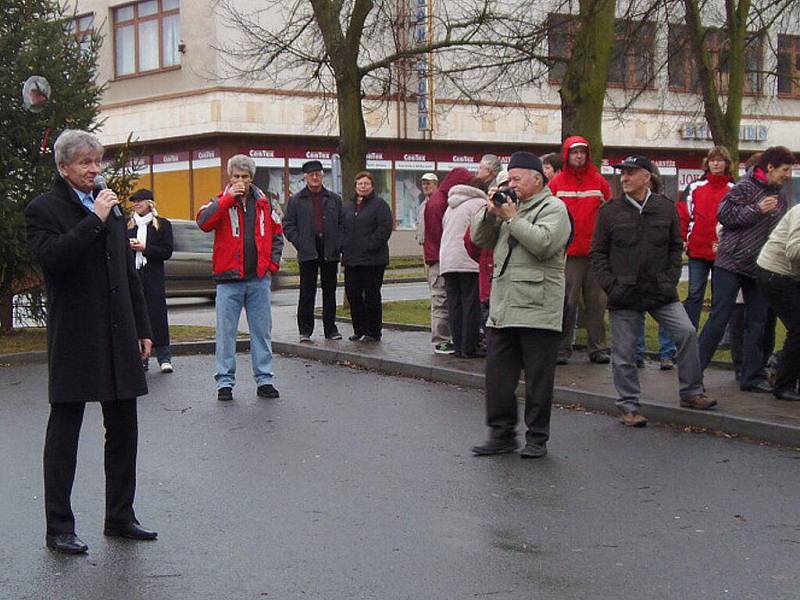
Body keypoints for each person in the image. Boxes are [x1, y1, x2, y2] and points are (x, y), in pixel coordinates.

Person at [25, 129, 157, 554]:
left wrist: (143, 327)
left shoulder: (113, 209)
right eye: (84, 163)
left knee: (124, 429)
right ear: (64, 168)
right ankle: (59, 527)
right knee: (65, 432)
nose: (94, 170)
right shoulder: (44, 209)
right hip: (76, 336)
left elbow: (127, 272)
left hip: (119, 332)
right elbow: (55, 259)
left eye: (97, 162)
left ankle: (120, 516)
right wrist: (94, 219)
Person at [590, 155, 715, 428]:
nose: (624, 178)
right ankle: (628, 406)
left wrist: (669, 280)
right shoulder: (610, 211)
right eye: (622, 173)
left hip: (660, 290)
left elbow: (674, 246)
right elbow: (597, 253)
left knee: (686, 332)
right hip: (624, 292)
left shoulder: (665, 208)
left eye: (631, 173)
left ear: (647, 177)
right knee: (624, 352)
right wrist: (611, 285)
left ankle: (692, 392)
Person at [470, 152, 572, 459]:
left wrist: (513, 218)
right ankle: (501, 434)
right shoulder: (505, 208)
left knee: (538, 380)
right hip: (503, 307)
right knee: (498, 377)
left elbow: (544, 243)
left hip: (538, 308)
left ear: (537, 179)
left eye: (516, 178)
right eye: (508, 178)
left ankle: (537, 438)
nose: (510, 183)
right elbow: (479, 238)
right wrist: (490, 213)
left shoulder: (554, 208)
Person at [698, 146, 795, 393]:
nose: (788, 175)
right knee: (719, 317)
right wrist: (756, 209)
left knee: (758, 322)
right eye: (785, 170)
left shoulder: (781, 196)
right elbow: (724, 214)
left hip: (758, 267)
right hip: (730, 263)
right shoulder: (745, 186)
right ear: (770, 167)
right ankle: (694, 371)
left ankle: (751, 377)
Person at [196, 154, 284, 402]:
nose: (240, 181)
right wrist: (227, 199)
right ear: (229, 177)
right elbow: (203, 222)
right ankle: (224, 382)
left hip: (258, 279)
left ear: (252, 178)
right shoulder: (219, 201)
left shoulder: (265, 204)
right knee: (226, 334)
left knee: (261, 332)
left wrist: (271, 265)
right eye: (236, 176)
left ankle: (265, 379)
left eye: (244, 177)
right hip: (228, 280)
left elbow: (277, 235)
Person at [547, 136, 612, 365]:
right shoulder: (556, 183)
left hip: (594, 253)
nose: (579, 156)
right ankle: (562, 348)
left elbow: (609, 215)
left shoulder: (599, 182)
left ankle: (598, 348)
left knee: (597, 303)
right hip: (568, 253)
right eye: (574, 152)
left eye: (582, 152)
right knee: (566, 303)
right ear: (567, 155)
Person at [283, 159, 344, 342]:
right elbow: (288, 224)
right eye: (311, 175)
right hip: (307, 249)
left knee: (329, 292)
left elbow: (342, 224)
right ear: (305, 178)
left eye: (318, 174)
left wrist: (338, 244)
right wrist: (300, 242)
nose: (315, 178)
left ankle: (330, 329)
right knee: (307, 292)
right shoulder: (296, 200)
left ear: (322, 176)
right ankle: (305, 331)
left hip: (329, 249)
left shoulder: (334, 199)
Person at [677, 146, 735, 328]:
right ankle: (689, 333)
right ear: (707, 163)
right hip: (697, 250)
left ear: (727, 164)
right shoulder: (695, 187)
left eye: (720, 160)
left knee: (720, 297)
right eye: (712, 160)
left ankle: (713, 336)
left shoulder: (734, 189)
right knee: (694, 294)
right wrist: (684, 239)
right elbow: (684, 214)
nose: (716, 163)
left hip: (723, 252)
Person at [424, 167, 473, 354]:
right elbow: (440, 234)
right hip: (439, 258)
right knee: (441, 300)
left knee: (446, 300)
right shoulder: (440, 202)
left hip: (440, 256)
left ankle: (447, 338)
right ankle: (441, 340)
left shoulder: (441, 199)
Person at [633, 165, 678, 370]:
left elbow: (675, 244)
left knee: (667, 316)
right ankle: (637, 354)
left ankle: (667, 354)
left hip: (660, 273)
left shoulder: (666, 208)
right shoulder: (623, 208)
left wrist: (671, 275)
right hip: (633, 274)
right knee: (635, 314)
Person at [341, 172, 393, 342]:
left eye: (366, 184)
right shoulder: (347, 207)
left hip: (373, 260)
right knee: (353, 294)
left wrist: (370, 244)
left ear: (372, 186)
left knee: (371, 296)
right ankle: (359, 329)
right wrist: (343, 245)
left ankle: (373, 331)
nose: (363, 187)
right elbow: (341, 227)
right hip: (351, 260)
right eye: (360, 184)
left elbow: (384, 228)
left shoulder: (380, 205)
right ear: (355, 186)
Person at [127, 188, 174, 373]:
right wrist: (130, 246)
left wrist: (145, 248)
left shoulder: (162, 225)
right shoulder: (128, 225)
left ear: (149, 203)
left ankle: (164, 356)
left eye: (140, 201)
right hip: (133, 275)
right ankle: (141, 358)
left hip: (153, 277)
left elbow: (166, 251)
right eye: (134, 201)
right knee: (136, 316)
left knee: (157, 316)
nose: (136, 204)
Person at [756, 203, 800, 401]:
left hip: (790, 276)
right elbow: (794, 250)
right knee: (798, 328)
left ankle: (782, 371)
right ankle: (783, 385)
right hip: (775, 273)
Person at [440, 176, 488, 358]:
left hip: (448, 260)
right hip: (468, 260)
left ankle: (458, 345)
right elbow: (481, 232)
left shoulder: (452, 205)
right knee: (471, 304)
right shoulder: (479, 204)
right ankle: (470, 347)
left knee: (455, 305)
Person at [415, 172, 438, 246]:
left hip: (436, 245)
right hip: (426, 244)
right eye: (423, 184)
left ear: (435, 184)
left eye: (428, 184)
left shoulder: (440, 202)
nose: (425, 187)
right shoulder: (423, 204)